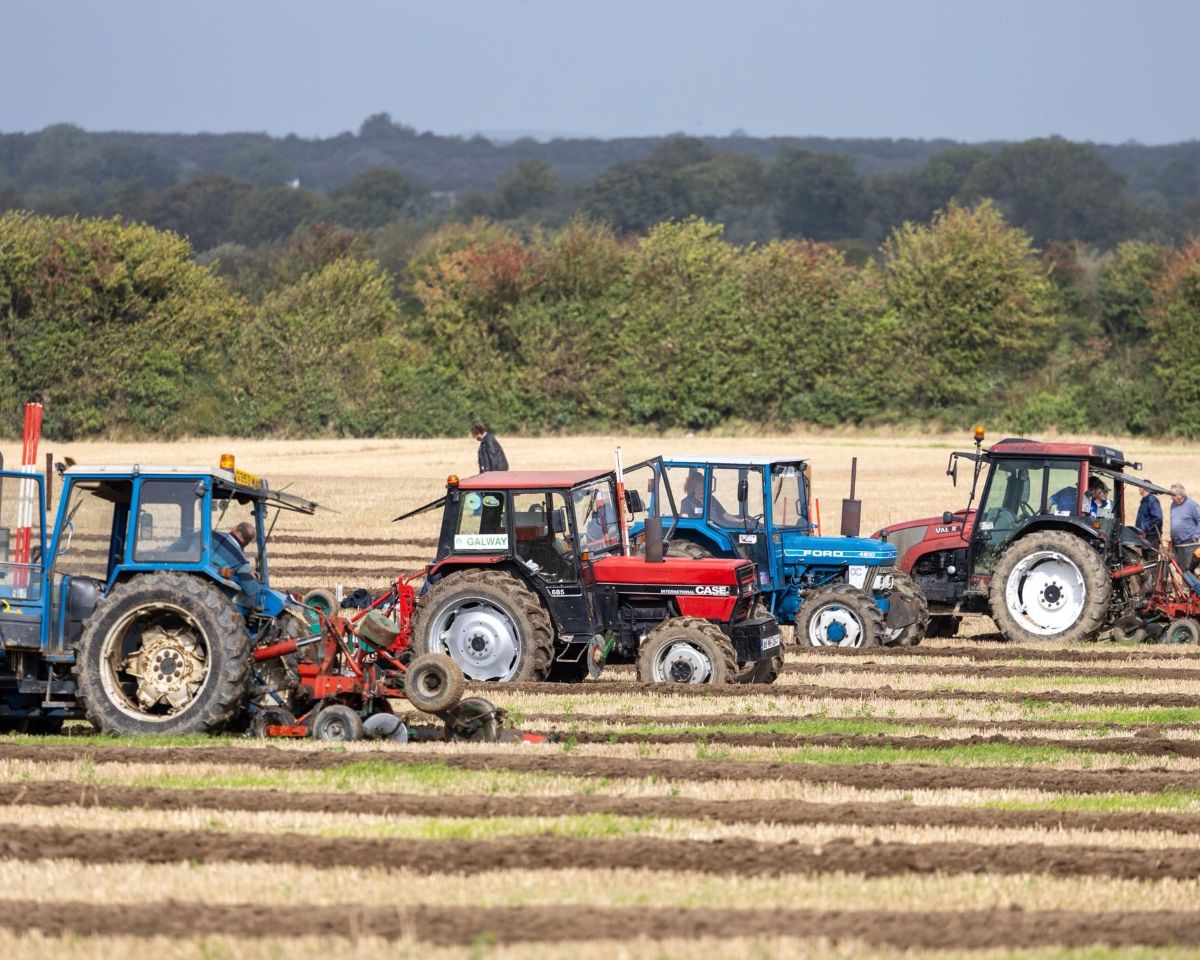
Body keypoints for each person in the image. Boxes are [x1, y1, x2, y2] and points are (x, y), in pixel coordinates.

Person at [212, 521, 257, 592]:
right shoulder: (242, 562)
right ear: (247, 543)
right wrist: (251, 577)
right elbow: (251, 590)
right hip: (212, 589)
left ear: (234, 528)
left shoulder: (210, 535)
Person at [1170, 484, 1200, 571]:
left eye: (1173, 495)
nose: (1171, 497)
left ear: (1180, 495)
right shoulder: (1173, 505)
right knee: (1180, 568)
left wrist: (1196, 536)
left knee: (1189, 568)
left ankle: (1191, 585)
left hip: (1188, 543)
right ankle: (1183, 584)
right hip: (1176, 543)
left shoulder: (1191, 504)